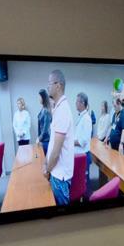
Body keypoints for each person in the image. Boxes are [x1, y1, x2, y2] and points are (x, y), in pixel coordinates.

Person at [42, 69, 74, 205]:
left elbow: (56, 151)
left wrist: (47, 169)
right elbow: (53, 144)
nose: (48, 86)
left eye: (50, 83)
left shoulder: (62, 110)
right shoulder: (59, 108)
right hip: (57, 173)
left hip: (59, 177)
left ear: (58, 85)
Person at [73, 92, 93, 199]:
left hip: (84, 156)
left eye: (76, 101)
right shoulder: (81, 116)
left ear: (82, 103)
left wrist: (70, 142)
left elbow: (83, 141)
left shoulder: (87, 119)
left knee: (85, 185)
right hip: (79, 156)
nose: (75, 103)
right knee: (80, 184)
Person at [36, 87, 51, 157]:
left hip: (46, 141)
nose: (38, 99)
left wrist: (39, 138)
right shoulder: (43, 109)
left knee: (44, 162)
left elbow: (45, 128)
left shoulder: (46, 111)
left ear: (43, 98)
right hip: (43, 140)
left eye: (39, 97)